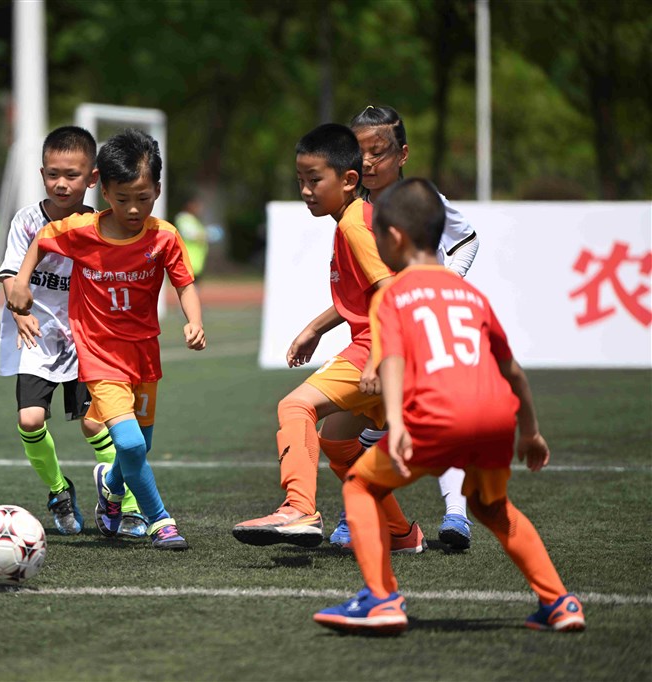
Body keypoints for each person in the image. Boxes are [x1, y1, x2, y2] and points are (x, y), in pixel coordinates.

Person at [313, 178, 585, 635]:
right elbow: (513, 370)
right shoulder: (473, 296)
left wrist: (396, 422)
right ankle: (559, 602)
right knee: (493, 508)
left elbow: (393, 362)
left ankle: (381, 600)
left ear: (394, 237)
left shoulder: (394, 295)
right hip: (497, 417)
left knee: (360, 486)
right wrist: (531, 432)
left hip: (440, 416)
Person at [8, 128, 206, 551]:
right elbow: (41, 242)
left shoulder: (165, 237)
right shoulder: (83, 230)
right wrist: (21, 282)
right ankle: (161, 520)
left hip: (144, 355)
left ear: (157, 189)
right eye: (122, 199)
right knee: (130, 443)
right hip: (99, 355)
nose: (133, 209)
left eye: (143, 198)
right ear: (105, 192)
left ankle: (109, 488)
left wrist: (194, 321)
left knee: (140, 449)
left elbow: (185, 283)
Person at [232, 123, 425, 555]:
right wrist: (314, 329)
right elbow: (370, 291)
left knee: (294, 405)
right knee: (337, 442)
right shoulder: (356, 220)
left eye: (315, 180)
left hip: (383, 346)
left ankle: (299, 508)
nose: (305, 190)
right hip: (393, 347)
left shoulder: (355, 225)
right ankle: (398, 533)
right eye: (300, 180)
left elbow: (391, 295)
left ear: (349, 179)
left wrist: (379, 360)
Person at [339, 105, 481, 550]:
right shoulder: (353, 211)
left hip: (424, 330)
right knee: (372, 426)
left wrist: (442, 287)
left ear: (402, 154)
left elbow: (467, 240)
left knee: (437, 420)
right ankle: (357, 515)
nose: (366, 162)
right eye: (359, 152)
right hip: (377, 336)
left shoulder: (422, 199)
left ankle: (456, 516)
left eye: (377, 152)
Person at [0, 125, 147, 539]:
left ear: (93, 178)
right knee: (30, 419)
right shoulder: (27, 221)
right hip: (35, 337)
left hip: (87, 338)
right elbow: (10, 275)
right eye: (52, 174)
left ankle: (126, 502)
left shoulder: (101, 225)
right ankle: (59, 492)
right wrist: (18, 307)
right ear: (42, 173)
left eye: (73, 175)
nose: (61, 183)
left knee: (95, 426)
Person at [174, 195, 209, 281]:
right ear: (189, 205)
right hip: (188, 259)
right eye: (197, 205)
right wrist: (206, 235)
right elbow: (190, 234)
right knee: (189, 288)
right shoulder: (183, 218)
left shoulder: (193, 219)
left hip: (196, 260)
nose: (199, 208)